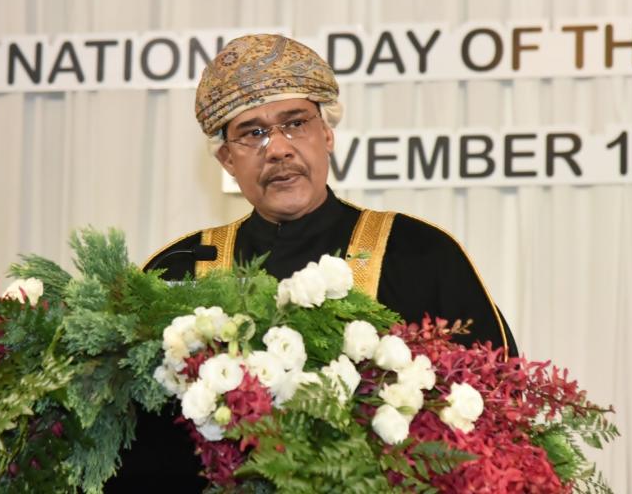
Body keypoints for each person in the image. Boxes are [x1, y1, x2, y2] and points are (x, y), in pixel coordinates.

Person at [106, 34, 517, 491]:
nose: (278, 149)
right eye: (252, 133)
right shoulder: (179, 270)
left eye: (295, 123)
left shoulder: (419, 254)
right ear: (226, 159)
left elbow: (496, 410)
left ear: (327, 134)